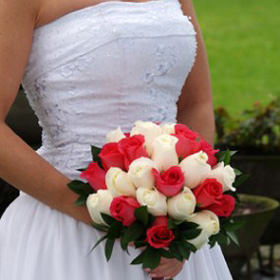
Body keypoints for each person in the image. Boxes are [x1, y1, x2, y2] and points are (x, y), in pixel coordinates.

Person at [0, 0, 233, 279]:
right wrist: (96, 212)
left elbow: (196, 105)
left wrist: (186, 209)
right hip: (66, 224)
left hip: (167, 235)